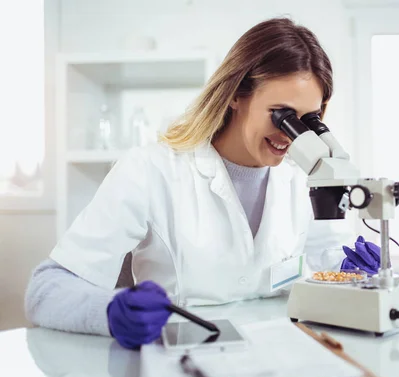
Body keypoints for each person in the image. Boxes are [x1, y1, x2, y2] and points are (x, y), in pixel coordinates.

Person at [24, 17, 381, 350]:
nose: (292, 136)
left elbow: (315, 267)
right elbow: (45, 290)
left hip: (277, 364)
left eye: (308, 120)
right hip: (184, 363)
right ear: (236, 95)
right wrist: (110, 311)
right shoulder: (150, 170)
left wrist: (347, 277)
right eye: (282, 115)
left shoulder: (301, 179)